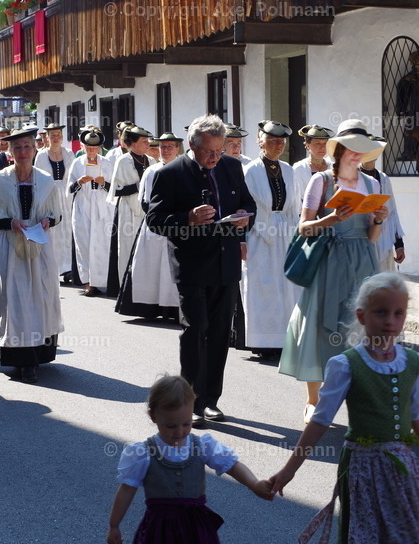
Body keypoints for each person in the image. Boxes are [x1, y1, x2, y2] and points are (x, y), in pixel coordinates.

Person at [267, 273, 419, 543]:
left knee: (409, 534)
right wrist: (289, 469)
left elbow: (417, 416)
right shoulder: (345, 364)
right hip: (363, 468)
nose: (390, 321)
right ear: (362, 316)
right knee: (366, 534)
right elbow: (320, 421)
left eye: (398, 313)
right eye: (381, 312)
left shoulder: (412, 361)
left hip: (403, 469)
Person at [146, 114, 255, 427]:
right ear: (192, 146)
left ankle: (211, 401)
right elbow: (155, 220)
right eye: (209, 152)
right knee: (196, 331)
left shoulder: (232, 167)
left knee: (221, 333)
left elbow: (248, 204)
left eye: (220, 151)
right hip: (191, 265)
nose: (215, 158)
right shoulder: (170, 173)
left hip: (226, 263)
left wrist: (245, 218)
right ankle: (190, 400)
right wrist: (188, 218)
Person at [278, 119, 388, 421]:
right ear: (338, 149)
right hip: (328, 260)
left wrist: (378, 219)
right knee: (320, 327)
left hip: (363, 261)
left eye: (362, 150)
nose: (357, 154)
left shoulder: (372, 184)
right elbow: (303, 227)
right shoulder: (321, 181)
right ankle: (314, 400)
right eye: (352, 148)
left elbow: (372, 238)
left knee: (359, 330)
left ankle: (359, 401)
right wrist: (333, 219)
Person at [107, 375, 272, 544]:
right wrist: (114, 525)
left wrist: (254, 483)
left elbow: (232, 465)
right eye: (171, 426)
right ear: (153, 416)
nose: (179, 432)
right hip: (159, 531)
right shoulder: (143, 453)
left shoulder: (202, 446)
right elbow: (127, 490)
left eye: (186, 424)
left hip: (196, 530)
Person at [0, 127, 64, 384]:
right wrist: (10, 222)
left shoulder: (46, 180)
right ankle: (20, 358)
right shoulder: (0, 180)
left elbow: (57, 213)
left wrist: (48, 221)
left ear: (34, 148)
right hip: (10, 247)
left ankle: (39, 354)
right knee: (14, 299)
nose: (23, 152)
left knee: (40, 297)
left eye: (27, 146)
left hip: (39, 247)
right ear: (10, 151)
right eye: (17, 147)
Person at [239, 121, 298, 359]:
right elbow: (243, 207)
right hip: (259, 235)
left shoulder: (289, 170)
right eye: (272, 140)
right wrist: (242, 238)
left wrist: (297, 236)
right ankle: (262, 341)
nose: (278, 145)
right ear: (260, 141)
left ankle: (285, 339)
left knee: (286, 288)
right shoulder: (250, 170)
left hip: (285, 234)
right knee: (262, 287)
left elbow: (295, 207)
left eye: (281, 141)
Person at [115, 132, 183, 320]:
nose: (166, 150)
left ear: (177, 148)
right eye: (162, 147)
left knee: (174, 268)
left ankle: (174, 309)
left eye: (170, 146)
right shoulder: (151, 171)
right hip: (154, 226)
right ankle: (150, 308)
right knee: (151, 267)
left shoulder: (185, 169)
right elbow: (144, 199)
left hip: (179, 225)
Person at [107, 125, 156, 295]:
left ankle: (145, 287)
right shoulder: (124, 161)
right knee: (127, 247)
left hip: (146, 211)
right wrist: (137, 185)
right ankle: (127, 288)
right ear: (133, 144)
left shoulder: (151, 161)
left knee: (146, 248)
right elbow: (116, 189)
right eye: (144, 141)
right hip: (127, 209)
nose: (148, 144)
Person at [68, 129, 114, 297]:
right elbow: (69, 189)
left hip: (102, 209)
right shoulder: (77, 163)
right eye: (88, 148)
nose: (91, 151)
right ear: (83, 146)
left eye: (94, 148)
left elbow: (114, 189)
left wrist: (104, 182)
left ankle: (102, 280)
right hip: (83, 208)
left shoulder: (107, 163)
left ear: (100, 147)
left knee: (102, 244)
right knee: (84, 244)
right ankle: (88, 282)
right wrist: (79, 182)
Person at [35, 123, 76, 280]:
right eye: (52, 135)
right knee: (53, 231)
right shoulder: (41, 155)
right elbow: (38, 180)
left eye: (58, 134)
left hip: (66, 196)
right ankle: (53, 267)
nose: (56, 138)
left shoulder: (69, 153)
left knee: (67, 230)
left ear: (62, 137)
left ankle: (68, 268)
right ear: (47, 138)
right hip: (49, 197)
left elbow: (73, 176)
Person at [360, 137, 406, 272]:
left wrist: (399, 245)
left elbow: (392, 213)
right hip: (361, 241)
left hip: (382, 242)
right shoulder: (354, 177)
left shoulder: (384, 179)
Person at [292, 124, 334, 203]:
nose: (322, 147)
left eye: (325, 143)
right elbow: (296, 198)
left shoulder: (332, 166)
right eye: (317, 143)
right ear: (308, 145)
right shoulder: (299, 168)